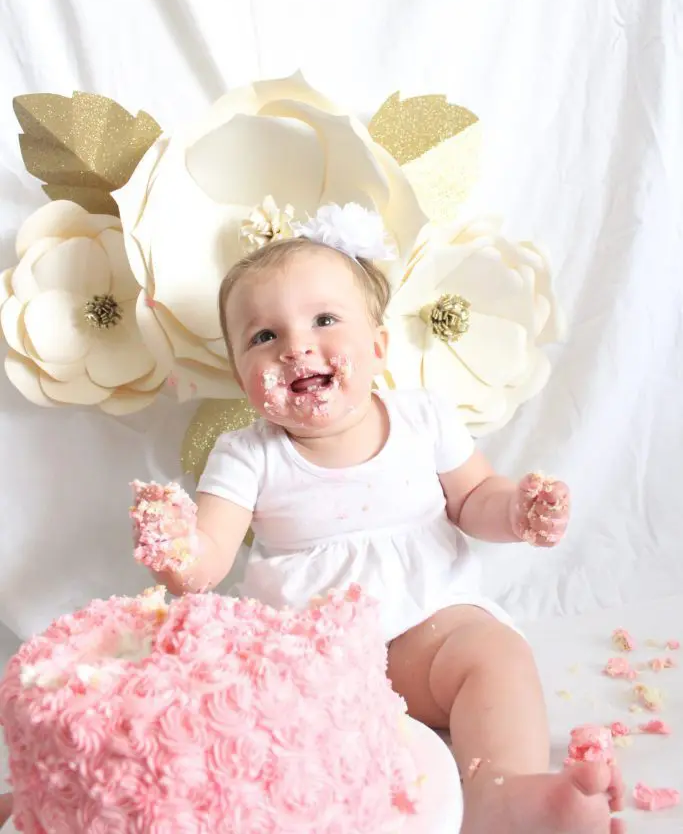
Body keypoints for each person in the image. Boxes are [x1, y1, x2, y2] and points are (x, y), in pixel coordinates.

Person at [138, 203, 624, 834]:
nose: (296, 346)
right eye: (264, 337)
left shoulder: (423, 418)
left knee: (495, 654)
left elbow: (474, 496)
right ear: (240, 375)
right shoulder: (246, 455)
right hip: (313, 662)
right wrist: (177, 545)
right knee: (247, 721)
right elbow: (207, 561)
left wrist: (515, 511)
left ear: (378, 348)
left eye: (324, 320)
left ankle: (501, 792)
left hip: (428, 638)